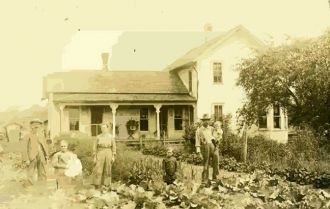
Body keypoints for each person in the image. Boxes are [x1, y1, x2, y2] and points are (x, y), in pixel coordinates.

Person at [92, 123, 116, 191]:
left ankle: (106, 185)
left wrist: (113, 156)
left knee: (107, 168)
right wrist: (94, 157)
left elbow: (114, 147)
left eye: (104, 128)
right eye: (102, 128)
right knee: (98, 168)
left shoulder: (111, 137)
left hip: (108, 152)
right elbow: (94, 147)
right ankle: (97, 185)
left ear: (107, 128)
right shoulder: (98, 137)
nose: (103, 129)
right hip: (100, 152)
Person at [198, 114, 219, 184]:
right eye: (204, 120)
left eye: (207, 120)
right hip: (204, 147)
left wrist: (217, 144)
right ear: (202, 121)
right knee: (206, 163)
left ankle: (215, 177)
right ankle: (204, 179)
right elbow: (197, 142)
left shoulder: (212, 129)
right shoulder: (199, 130)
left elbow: (216, 138)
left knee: (216, 160)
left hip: (212, 146)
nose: (206, 122)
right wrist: (199, 152)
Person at [26, 118, 49, 185]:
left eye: (38, 126)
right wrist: (26, 159)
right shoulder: (28, 135)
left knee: (42, 171)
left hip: (41, 154)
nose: (36, 128)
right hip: (32, 155)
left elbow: (45, 146)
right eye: (35, 126)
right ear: (31, 127)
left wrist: (46, 155)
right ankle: (29, 185)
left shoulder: (41, 136)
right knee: (31, 171)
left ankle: (42, 185)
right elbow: (24, 148)